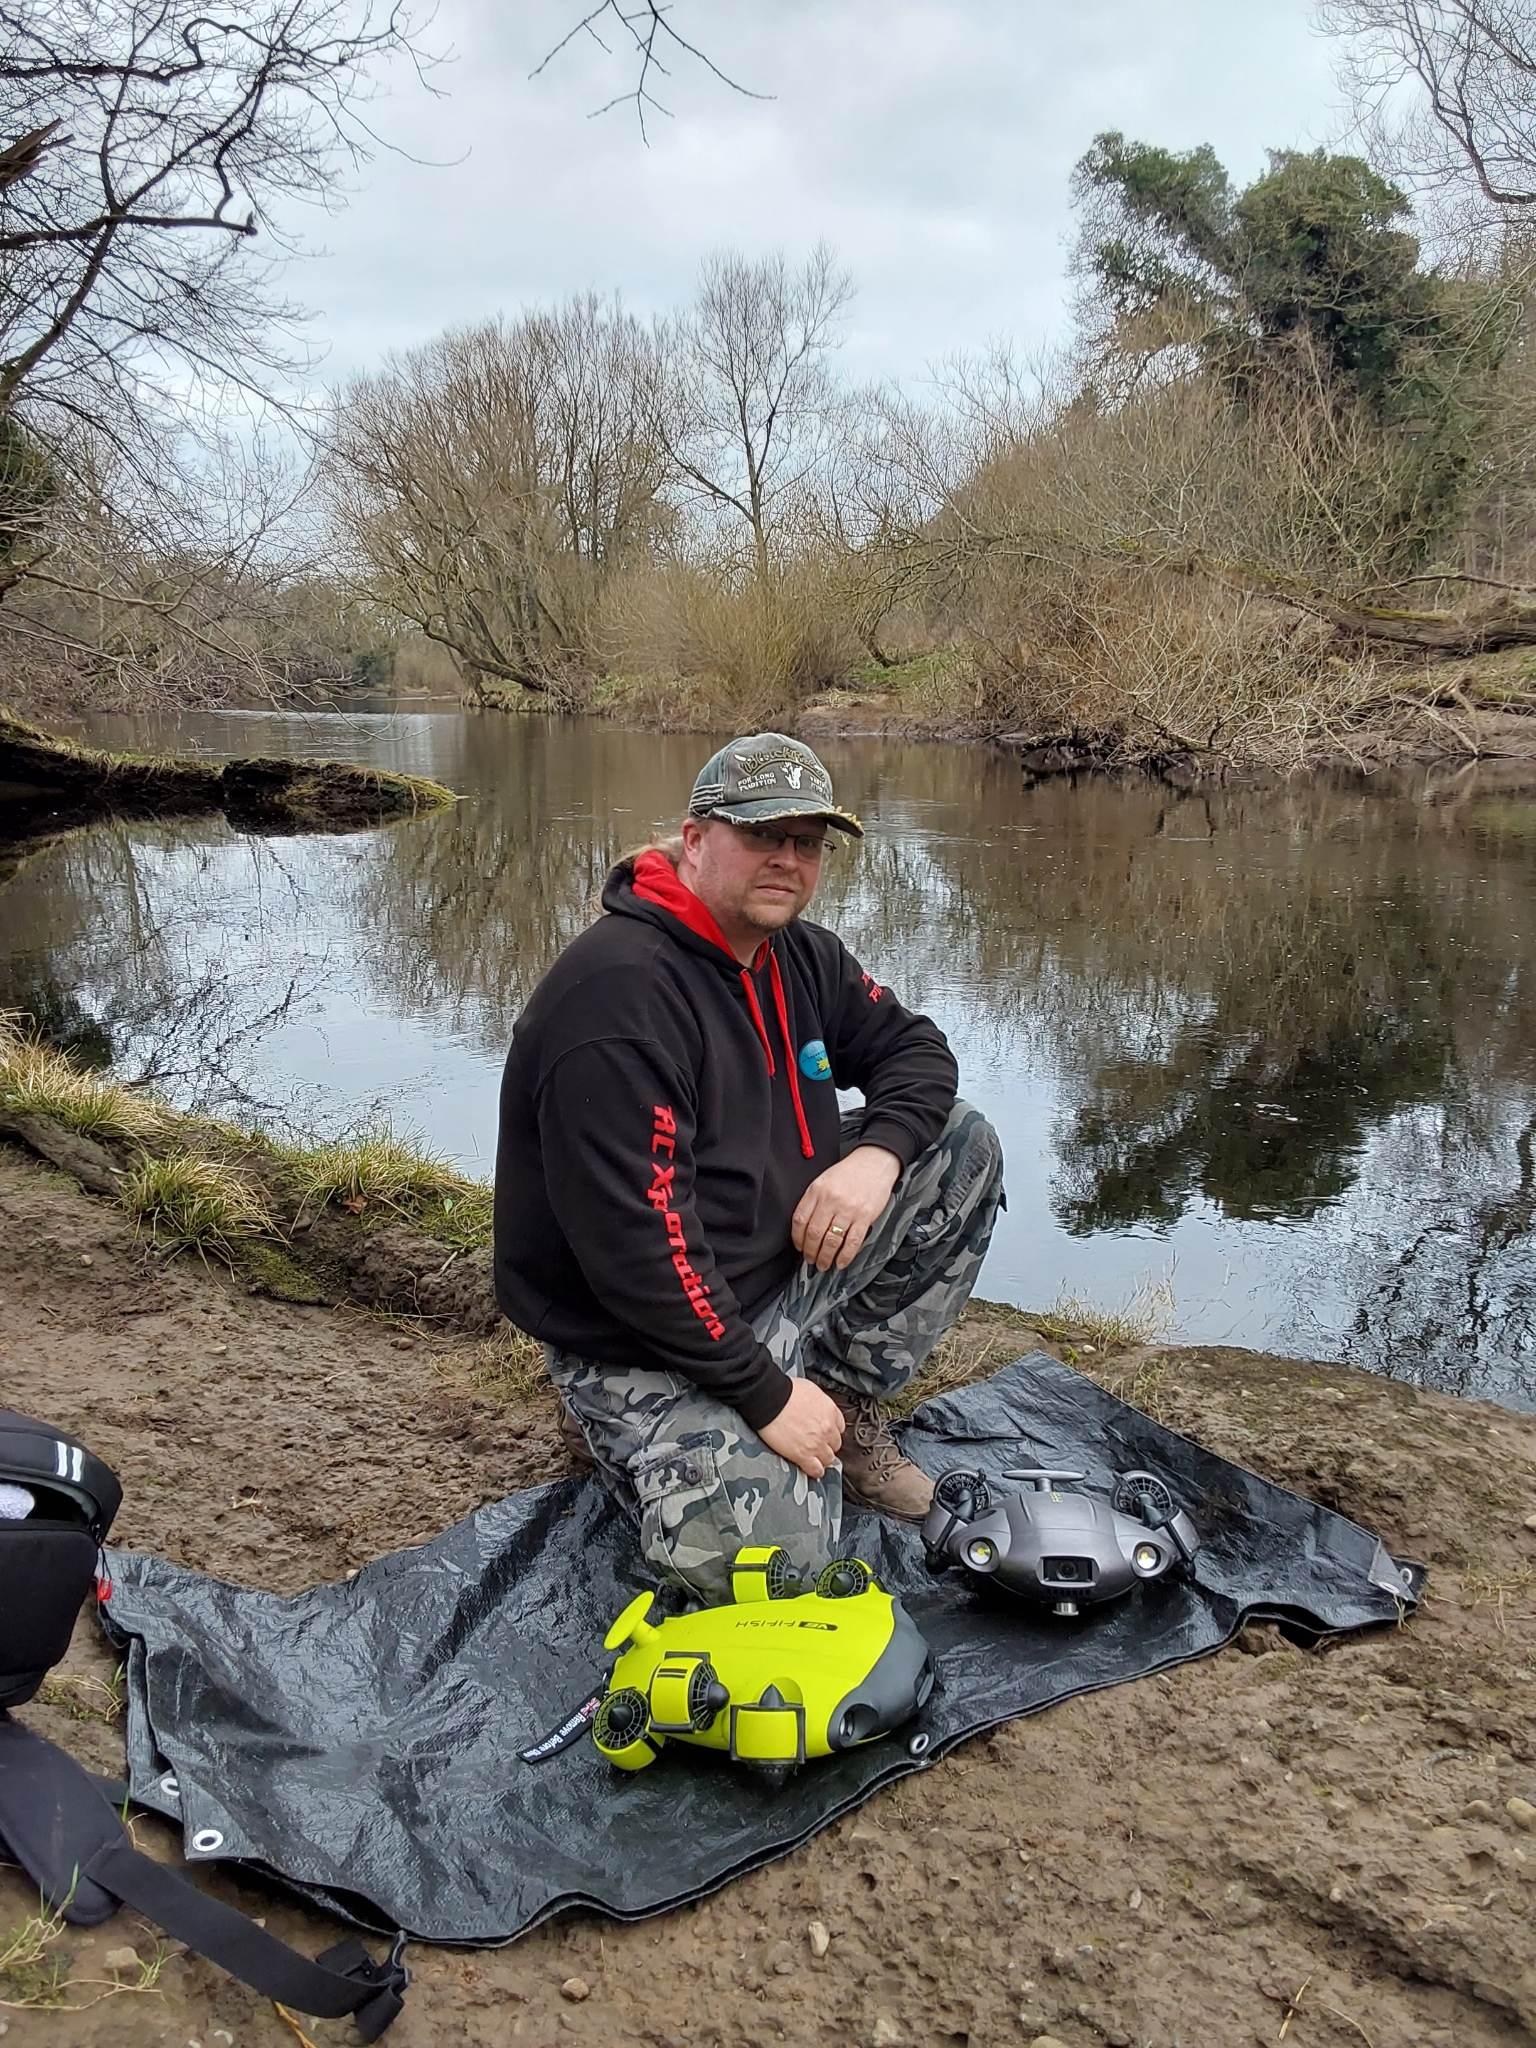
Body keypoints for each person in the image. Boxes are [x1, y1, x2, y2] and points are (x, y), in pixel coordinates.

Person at [493, 732, 1004, 1602]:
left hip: (768, 1272)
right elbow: (641, 1256)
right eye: (765, 834)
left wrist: (875, 1157)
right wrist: (762, 1393)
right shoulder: (617, 999)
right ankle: (645, 1431)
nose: (789, 860)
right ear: (695, 840)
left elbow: (916, 1051)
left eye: (808, 843)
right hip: (637, 1335)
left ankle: (836, 1408)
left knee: (957, 1146)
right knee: (778, 1572)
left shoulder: (799, 955)